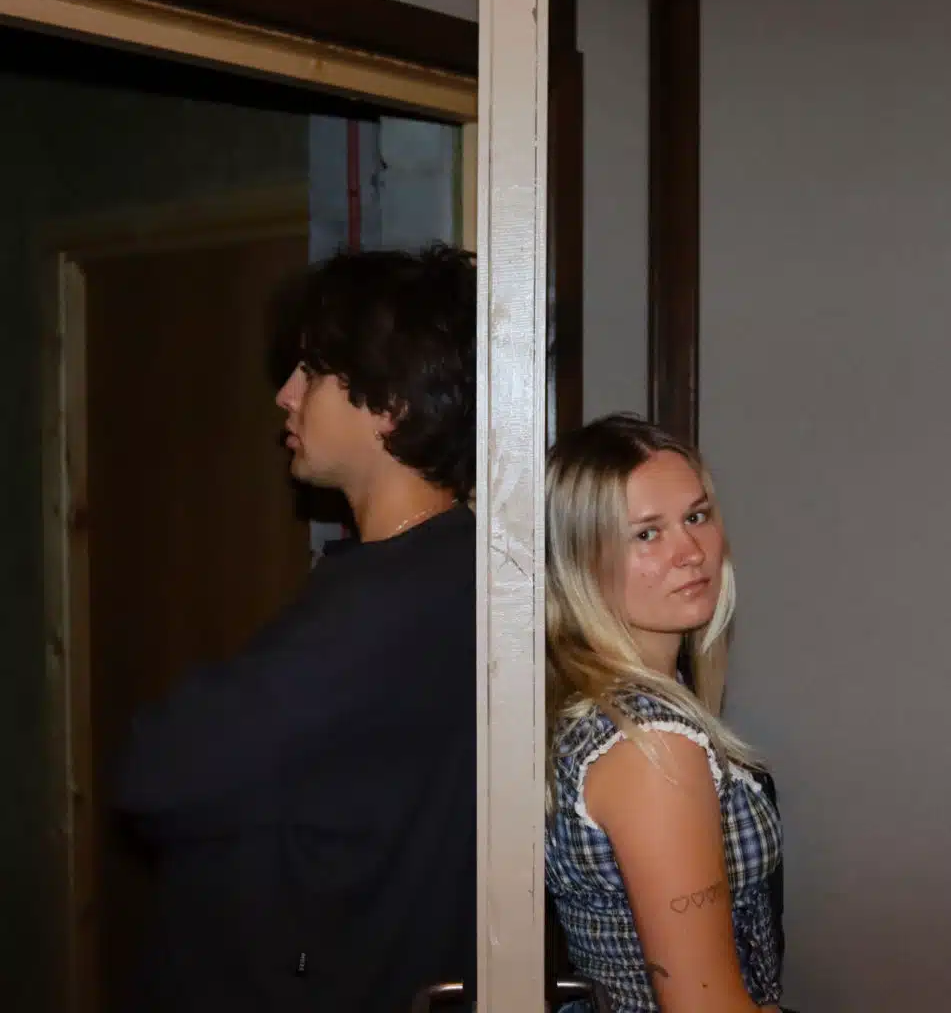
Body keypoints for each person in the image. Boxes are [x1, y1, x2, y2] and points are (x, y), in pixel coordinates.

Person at [114, 244, 478, 1012]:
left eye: (311, 372)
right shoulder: (446, 570)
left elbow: (156, 769)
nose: (285, 395)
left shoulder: (391, 599)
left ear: (390, 404)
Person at [544, 414, 788, 1013]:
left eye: (696, 517)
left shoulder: (611, 704)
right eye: (647, 534)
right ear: (580, 560)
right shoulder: (651, 742)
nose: (691, 552)